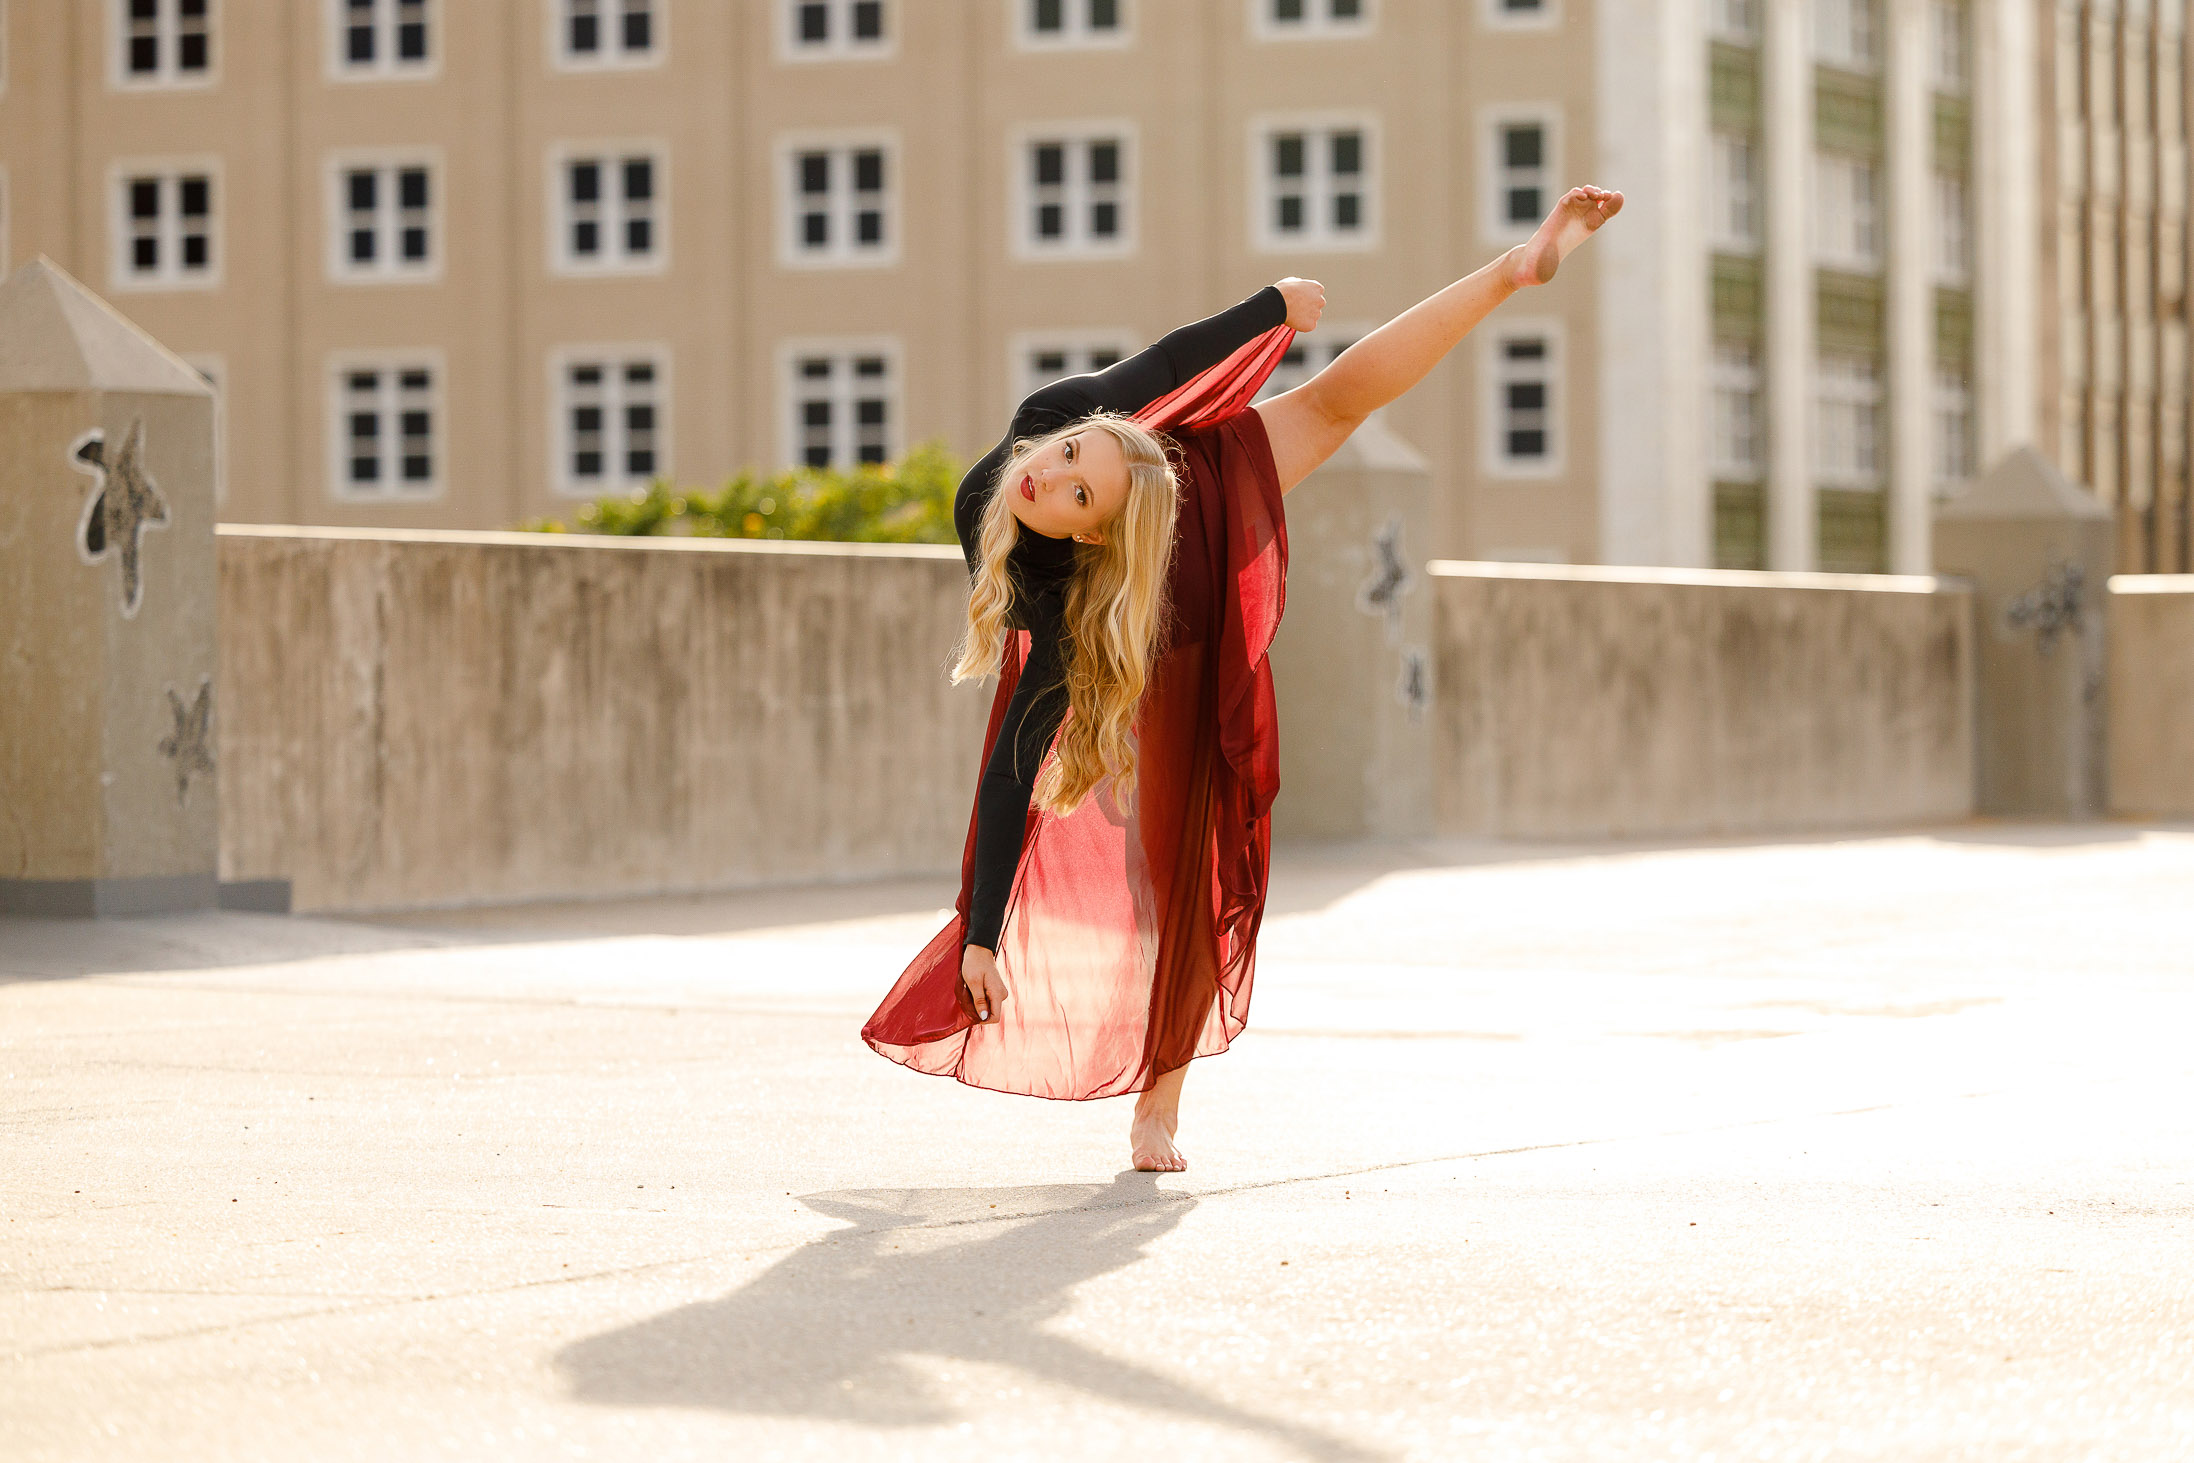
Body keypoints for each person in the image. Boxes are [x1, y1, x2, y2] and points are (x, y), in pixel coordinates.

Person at [864, 185, 1625, 1172]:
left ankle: (1514, 267)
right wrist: (983, 925)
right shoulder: (1032, 527)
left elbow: (1165, 368)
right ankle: (1158, 1099)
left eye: (1069, 471)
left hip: (1177, 484)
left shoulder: (1088, 441)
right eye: (1057, 466)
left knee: (1335, 399)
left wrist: (1269, 306)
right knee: (1166, 856)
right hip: (1136, 599)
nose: (1043, 474)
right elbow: (1013, 762)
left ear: (1093, 498)